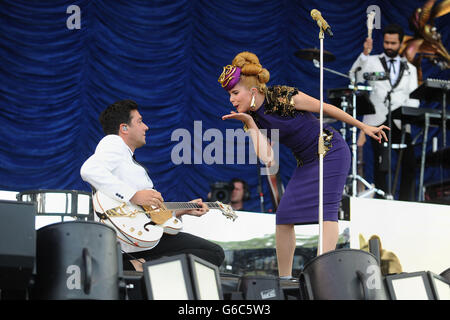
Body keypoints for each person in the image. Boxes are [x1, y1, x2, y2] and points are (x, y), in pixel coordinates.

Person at [218, 51, 389, 278]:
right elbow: (267, 158)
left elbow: (324, 108)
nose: (231, 99)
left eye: (235, 93)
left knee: (326, 213)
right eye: (230, 94)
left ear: (252, 91)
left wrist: (362, 126)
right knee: (284, 217)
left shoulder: (280, 97)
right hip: (307, 161)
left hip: (331, 150)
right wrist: (249, 124)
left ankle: (322, 273)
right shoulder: (252, 119)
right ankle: (285, 279)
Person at [80, 99, 224, 271]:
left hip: (139, 238)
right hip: (130, 241)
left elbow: (143, 213)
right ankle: (134, 267)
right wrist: (133, 194)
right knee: (213, 253)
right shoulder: (113, 142)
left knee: (206, 254)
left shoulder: (125, 158)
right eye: (139, 121)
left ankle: (137, 267)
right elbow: (89, 169)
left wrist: (180, 211)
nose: (146, 127)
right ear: (124, 128)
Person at [350, 24, 420, 201]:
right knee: (382, 164)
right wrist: (364, 55)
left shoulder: (410, 68)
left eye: (393, 43)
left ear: (400, 43)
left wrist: (406, 114)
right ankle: (381, 202)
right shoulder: (371, 61)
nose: (389, 46)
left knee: (409, 163)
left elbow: (413, 96)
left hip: (400, 122)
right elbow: (354, 77)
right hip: (378, 120)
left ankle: (406, 202)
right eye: (387, 42)